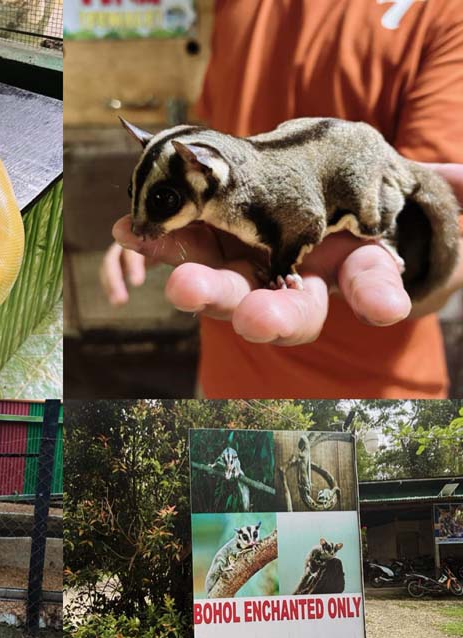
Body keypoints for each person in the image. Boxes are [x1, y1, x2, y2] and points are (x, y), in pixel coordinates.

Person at [100, 0, 463, 398]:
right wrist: (167, 226)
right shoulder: (232, 8)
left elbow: (440, 239)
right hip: (226, 375)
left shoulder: (443, 14)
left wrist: (371, 260)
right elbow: (211, 147)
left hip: (373, 386)